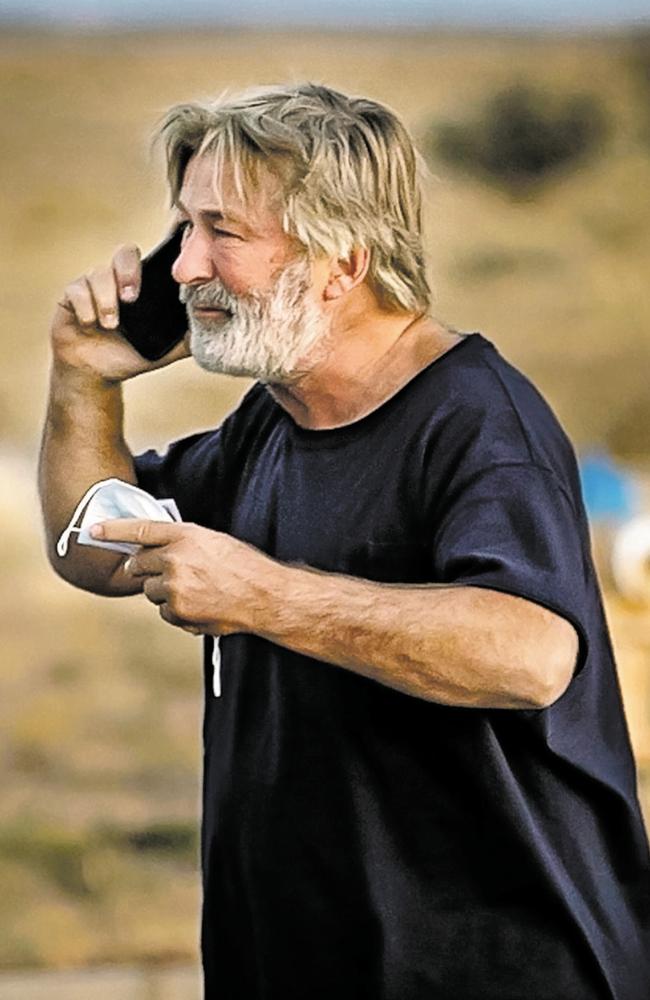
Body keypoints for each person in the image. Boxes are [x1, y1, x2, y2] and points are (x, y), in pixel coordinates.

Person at [39, 83, 650, 1000]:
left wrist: (265, 597)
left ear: (342, 261)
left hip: (491, 974)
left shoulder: (480, 425)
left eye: (223, 233)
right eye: (183, 228)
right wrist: (83, 378)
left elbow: (531, 653)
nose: (180, 267)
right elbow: (93, 546)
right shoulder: (272, 421)